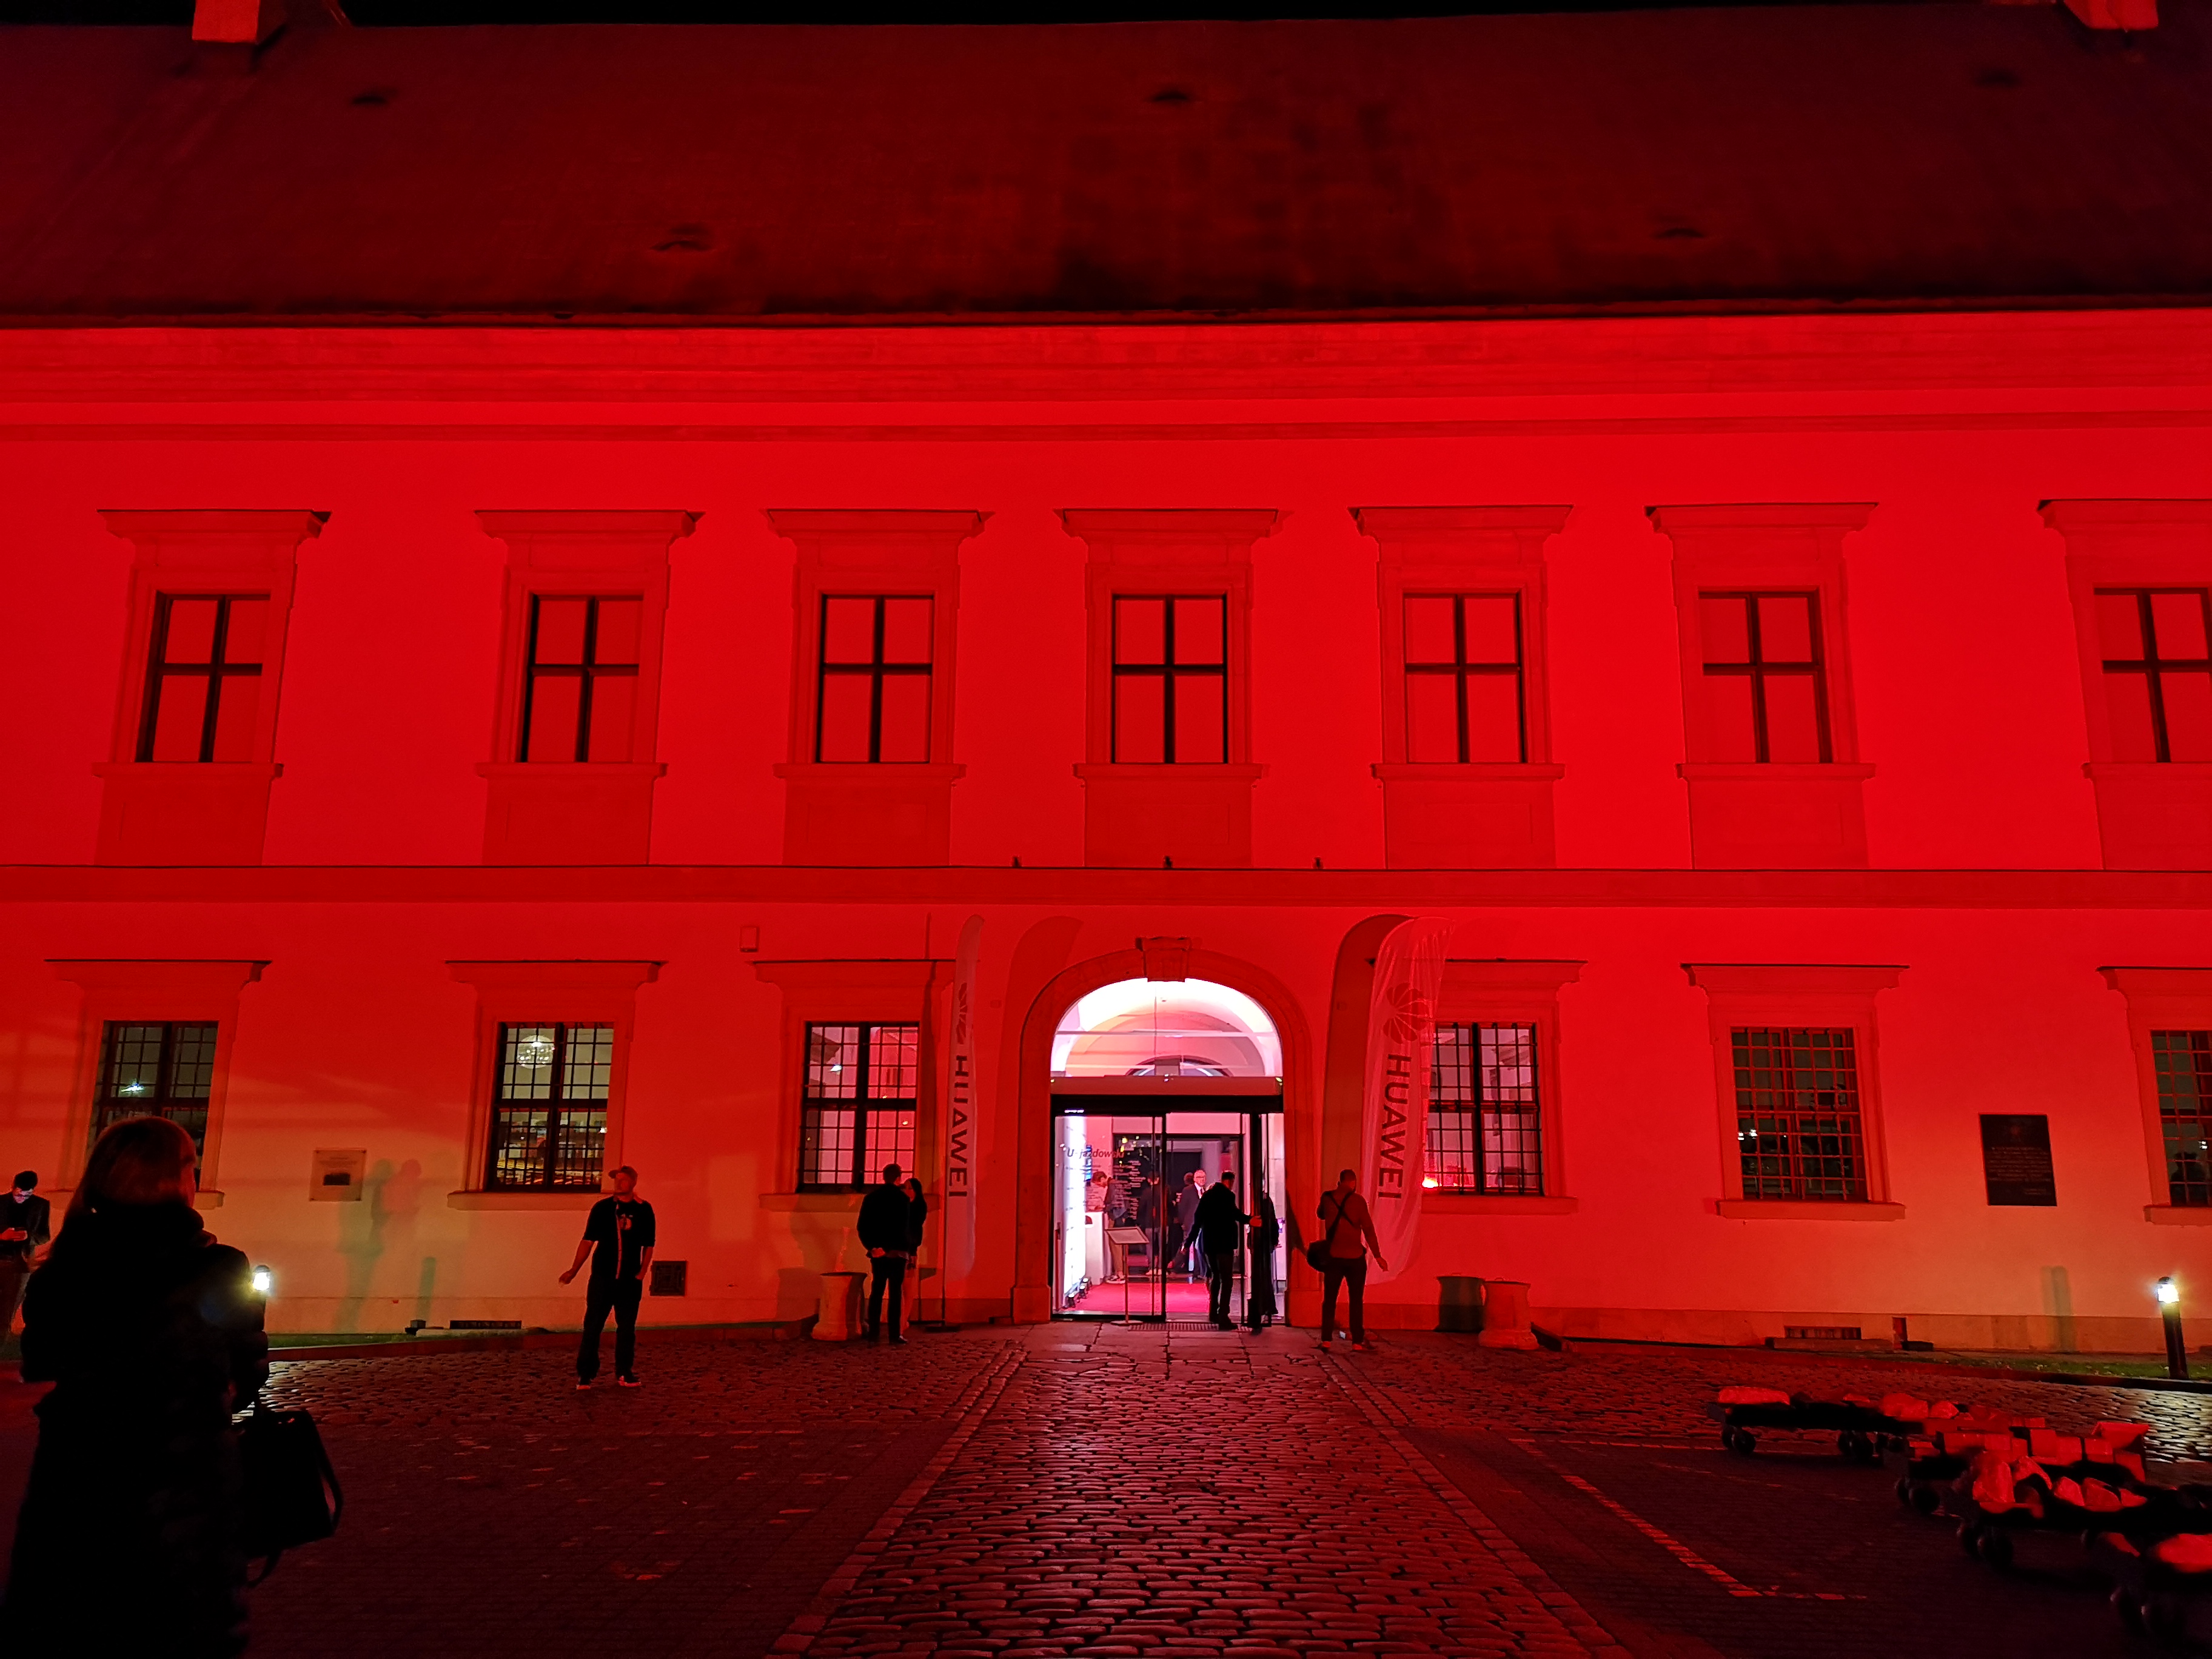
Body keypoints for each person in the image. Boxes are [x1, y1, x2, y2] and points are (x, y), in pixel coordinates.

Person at [2, 1116, 267, 1657]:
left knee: (73, 1625)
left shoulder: (64, 1271)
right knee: (182, 1627)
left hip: (79, 1473)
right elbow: (247, 1373)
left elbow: (41, 1362)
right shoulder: (218, 1267)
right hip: (185, 1476)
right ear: (181, 1176)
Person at [560, 1165, 655, 1389]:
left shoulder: (644, 1209)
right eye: (616, 1180)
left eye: (623, 1180)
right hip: (603, 1277)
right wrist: (574, 1270)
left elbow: (649, 1244)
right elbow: (587, 1241)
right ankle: (585, 1374)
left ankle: (624, 1372)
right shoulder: (603, 1208)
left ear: (633, 1182)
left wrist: (642, 1272)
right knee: (593, 1326)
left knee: (627, 1328)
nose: (618, 1184)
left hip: (629, 1280)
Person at [1316, 1167, 1387, 1353]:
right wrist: (1378, 1255)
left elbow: (1320, 1214)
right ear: (1353, 1183)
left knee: (1329, 1299)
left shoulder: (1327, 1198)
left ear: (1340, 1181)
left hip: (1334, 1256)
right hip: (1355, 1257)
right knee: (1356, 1300)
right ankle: (1357, 1341)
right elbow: (1368, 1229)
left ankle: (1326, 1340)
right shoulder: (1358, 1201)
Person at [857, 1162, 912, 1344]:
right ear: (898, 1178)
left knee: (877, 1292)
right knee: (895, 1294)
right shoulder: (902, 1199)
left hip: (878, 1253)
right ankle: (895, 1335)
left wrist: (873, 1247)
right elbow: (903, 1227)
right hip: (897, 1253)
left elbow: (863, 1226)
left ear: (884, 1177)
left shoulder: (871, 1198)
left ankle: (874, 1333)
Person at [1187, 1170, 1248, 1329]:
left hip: (1209, 1244)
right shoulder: (1228, 1196)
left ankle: (1213, 1312)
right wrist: (1250, 1220)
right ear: (1231, 1181)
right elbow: (1235, 1214)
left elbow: (1197, 1221)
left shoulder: (1207, 1196)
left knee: (1215, 1276)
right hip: (1224, 1243)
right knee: (1227, 1279)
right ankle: (1223, 1316)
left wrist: (1188, 1243)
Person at [0, 1169, 52, 1333]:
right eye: (19, 1194)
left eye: (27, 1195)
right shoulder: (1, 1202)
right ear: (13, 1187)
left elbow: (45, 1235)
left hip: (20, 1264)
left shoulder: (41, 1206)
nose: (22, 1198)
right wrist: (2, 1236)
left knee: (7, 1314)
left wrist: (28, 1237)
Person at [1244, 1185, 1281, 1330]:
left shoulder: (1259, 1201)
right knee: (1265, 1274)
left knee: (1260, 1274)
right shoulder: (1265, 1200)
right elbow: (1273, 1221)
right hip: (1265, 1242)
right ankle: (1266, 1305)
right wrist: (1274, 1240)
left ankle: (1263, 1305)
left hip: (1261, 1242)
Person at [901, 1175, 929, 1335]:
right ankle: (902, 1319)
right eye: (905, 1187)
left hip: (910, 1250)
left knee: (908, 1286)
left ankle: (904, 1319)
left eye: (910, 1188)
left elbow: (916, 1229)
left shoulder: (918, 1207)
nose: (907, 1191)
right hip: (901, 1248)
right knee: (901, 1285)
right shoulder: (903, 1205)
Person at [1173, 1170, 1204, 1276]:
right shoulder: (1188, 1191)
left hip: (1201, 1224)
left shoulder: (1204, 1191)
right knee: (1187, 1245)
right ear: (1194, 1179)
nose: (1202, 1180)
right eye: (1199, 1177)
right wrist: (1183, 1221)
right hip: (1190, 1223)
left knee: (1198, 1247)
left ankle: (1198, 1270)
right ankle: (1176, 1265)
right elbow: (1182, 1207)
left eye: (1203, 1177)